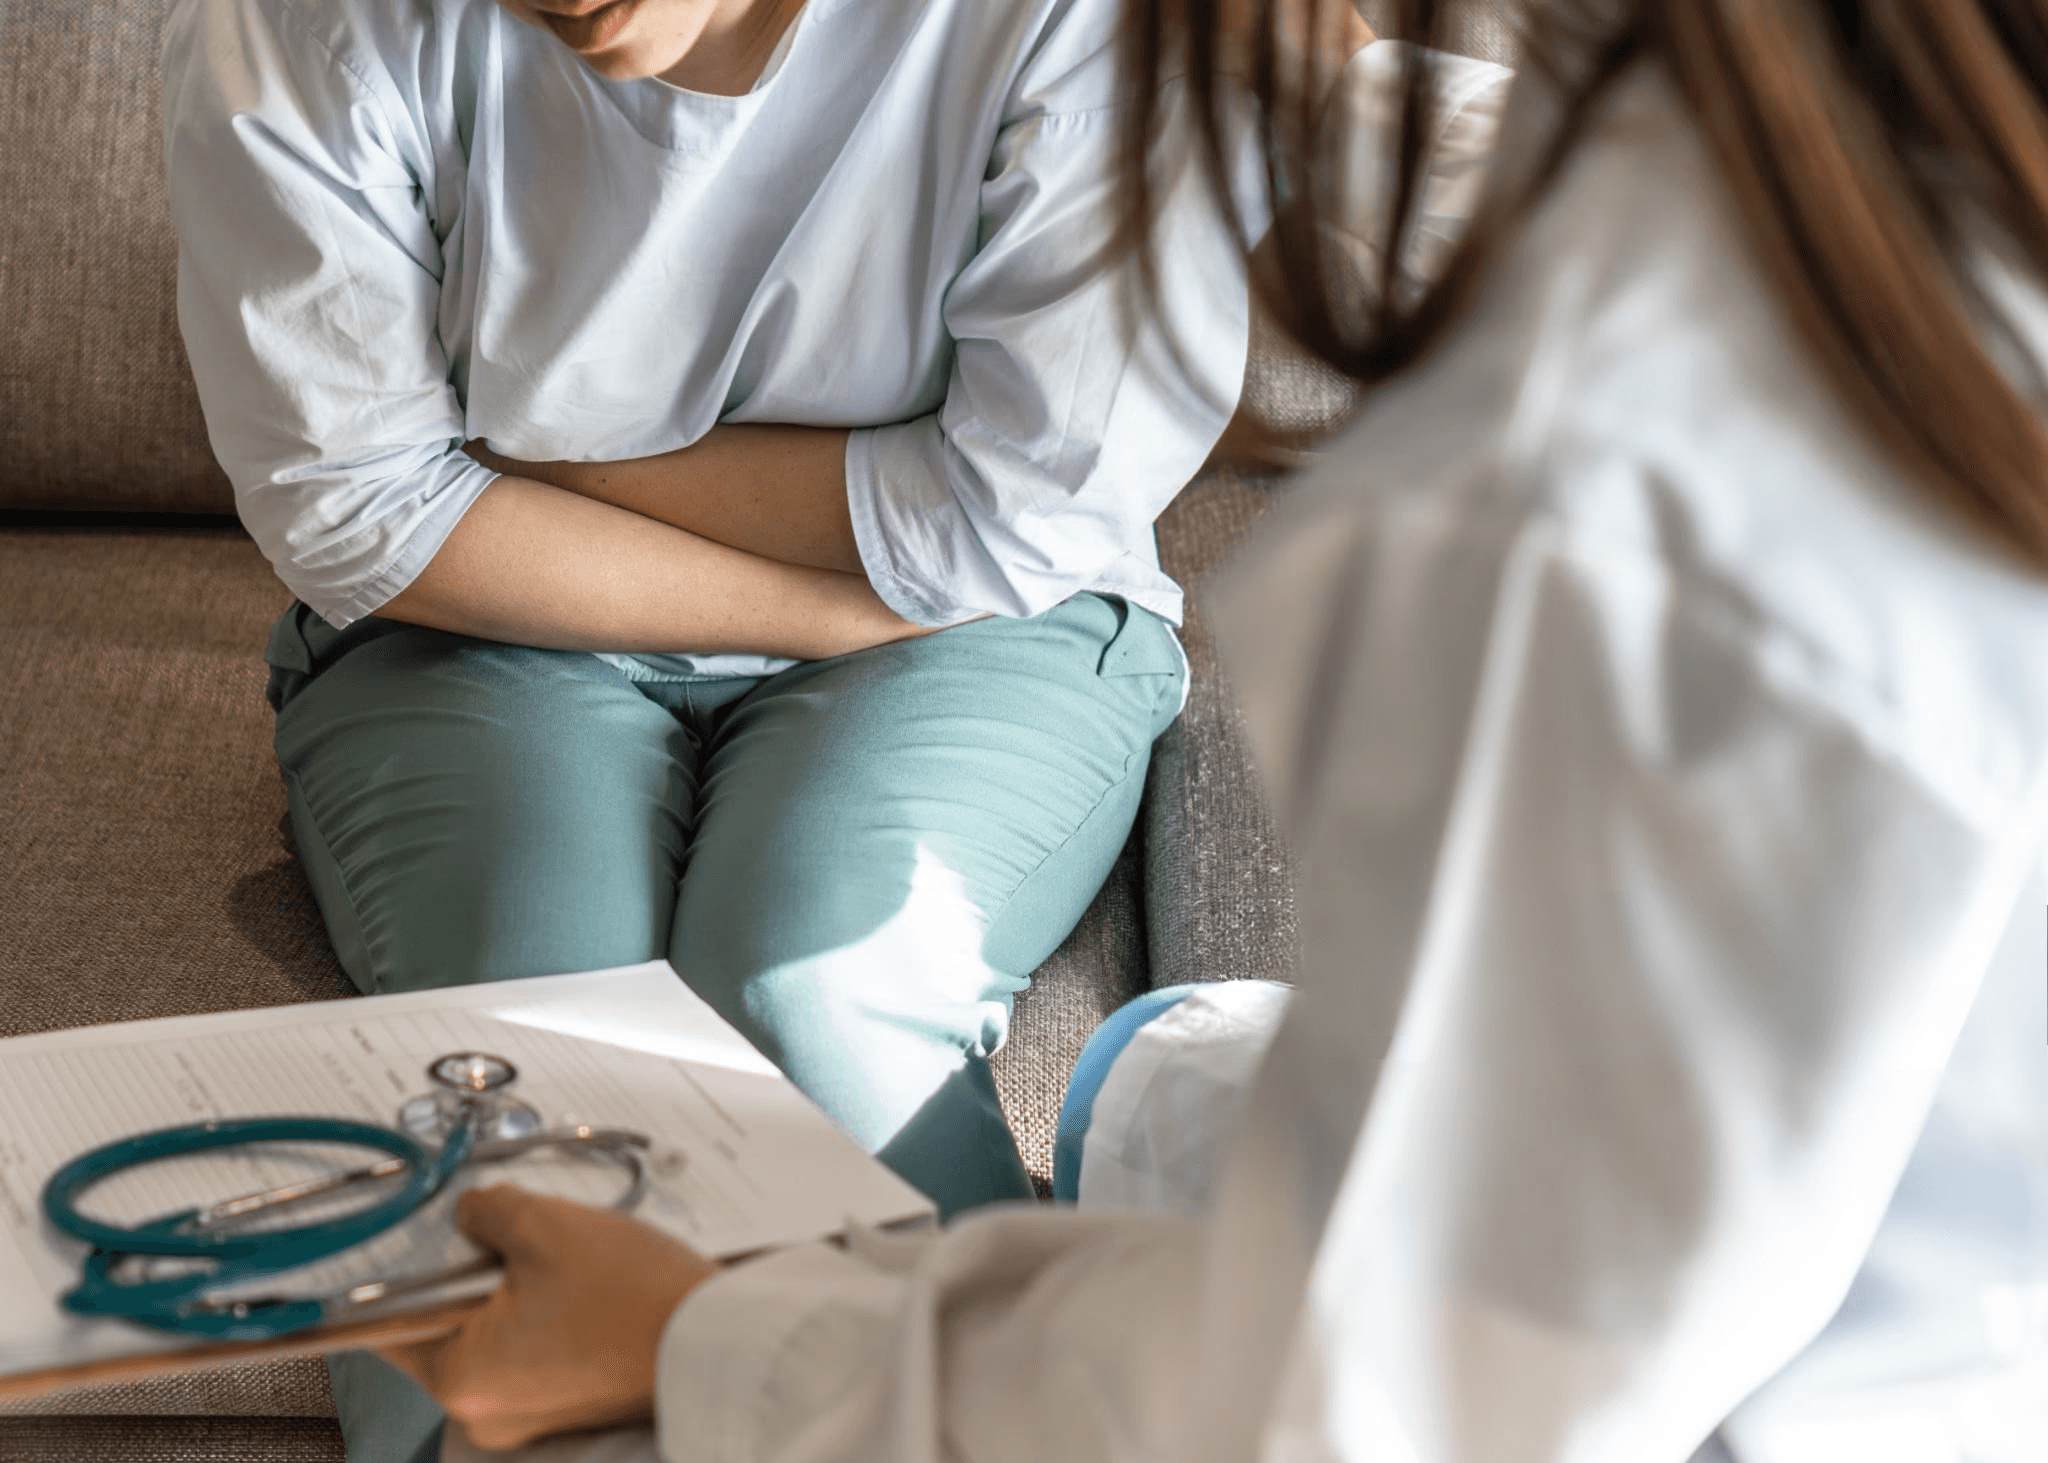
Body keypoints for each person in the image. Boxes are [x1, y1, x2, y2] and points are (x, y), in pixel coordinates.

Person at [366, 0, 2048, 1460]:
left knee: (888, 1002)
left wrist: (699, 1346)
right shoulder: (1914, 249)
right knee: (1151, 1087)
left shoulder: (1628, 474)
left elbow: (1371, 1399)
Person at [161, 0, 1253, 1449]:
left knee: (820, 982)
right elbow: (356, 504)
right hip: (494, 618)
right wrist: (833, 607)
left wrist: (504, 452)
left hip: (984, 632)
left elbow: (1020, 514)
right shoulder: (294, 27)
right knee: (529, 1028)